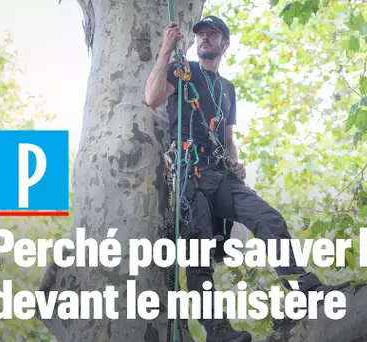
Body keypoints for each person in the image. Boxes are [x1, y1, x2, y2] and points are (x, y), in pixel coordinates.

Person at [145, 15, 351, 342]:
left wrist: (236, 164)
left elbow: (227, 139)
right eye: (201, 35)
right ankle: (218, 331)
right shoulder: (182, 71)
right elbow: (153, 97)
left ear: (225, 43)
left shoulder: (228, 89)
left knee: (268, 218)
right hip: (190, 176)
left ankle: (305, 289)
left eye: (212, 35)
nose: (205, 39)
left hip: (222, 176)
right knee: (199, 258)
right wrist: (166, 51)